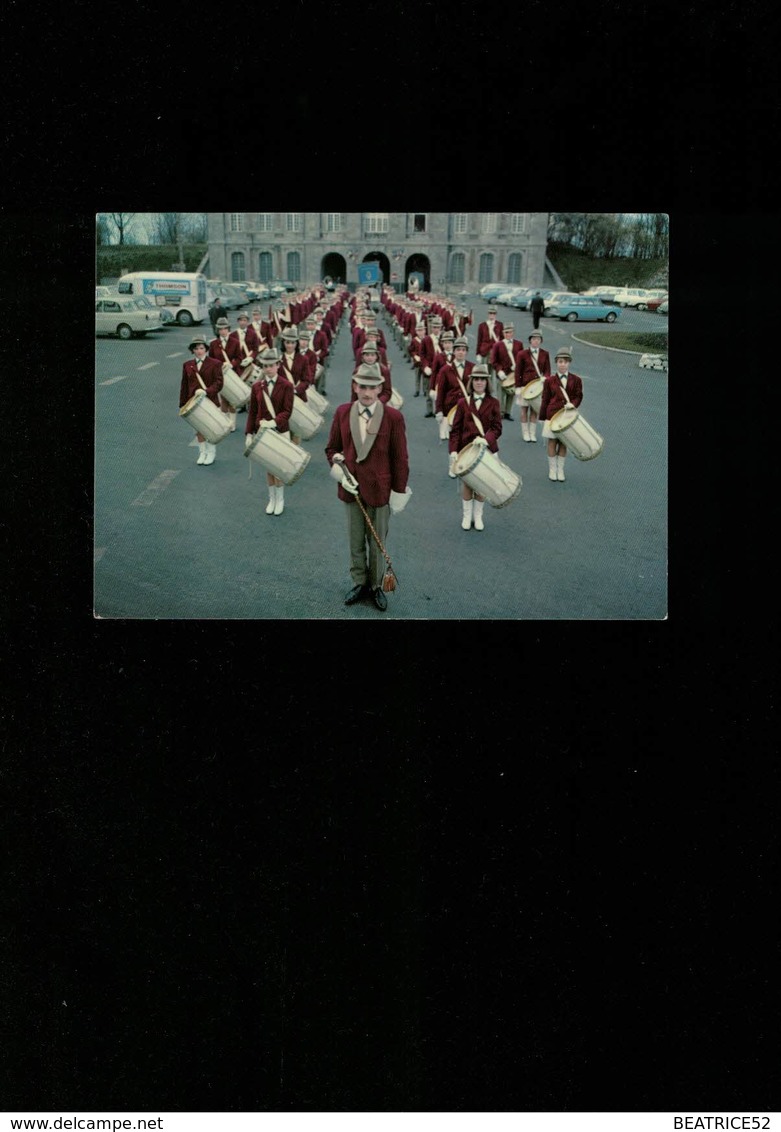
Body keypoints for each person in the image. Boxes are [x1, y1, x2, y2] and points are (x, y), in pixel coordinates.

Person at [325, 362, 410, 612]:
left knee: (377, 541)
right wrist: (336, 462)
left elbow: (400, 458)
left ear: (380, 388)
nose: (366, 392)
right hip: (351, 489)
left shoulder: (393, 417)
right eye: (362, 386)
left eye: (372, 387)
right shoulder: (342, 412)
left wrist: (398, 491)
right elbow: (331, 448)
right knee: (355, 540)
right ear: (354, 385)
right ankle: (359, 582)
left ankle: (375, 586)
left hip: (381, 491)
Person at [448, 364, 502, 532]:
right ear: (472, 382)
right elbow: (455, 429)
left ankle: (478, 516)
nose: (479, 382)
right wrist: (454, 451)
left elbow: (497, 428)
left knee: (481, 483)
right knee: (467, 484)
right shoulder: (463, 403)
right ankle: (466, 515)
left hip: (486, 448)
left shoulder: (494, 403)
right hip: (467, 449)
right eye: (476, 379)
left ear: (487, 382)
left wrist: (486, 439)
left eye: (482, 380)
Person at [245, 348, 294, 515]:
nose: (268, 369)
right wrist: (249, 433)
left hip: (280, 431)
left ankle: (280, 499)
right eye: (265, 366)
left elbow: (287, 411)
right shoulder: (257, 386)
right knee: (268, 467)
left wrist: (273, 422)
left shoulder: (287, 385)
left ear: (278, 365)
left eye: (271, 365)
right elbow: (252, 412)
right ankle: (271, 498)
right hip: (263, 433)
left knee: (278, 467)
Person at [539, 345, 583, 482]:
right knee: (552, 441)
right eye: (560, 362)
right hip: (552, 415)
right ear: (556, 363)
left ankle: (560, 469)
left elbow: (578, 396)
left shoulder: (576, 380)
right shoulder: (549, 381)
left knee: (564, 443)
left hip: (568, 415)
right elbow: (545, 399)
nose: (562, 364)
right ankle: (552, 469)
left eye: (565, 362)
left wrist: (573, 404)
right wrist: (542, 418)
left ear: (569, 363)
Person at [179, 334, 224, 466]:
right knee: (198, 429)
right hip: (194, 403)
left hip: (210, 401)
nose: (199, 351)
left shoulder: (215, 364)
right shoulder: (187, 365)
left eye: (201, 348)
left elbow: (219, 383)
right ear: (192, 350)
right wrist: (182, 404)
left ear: (206, 349)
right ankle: (202, 452)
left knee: (209, 428)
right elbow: (185, 385)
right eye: (196, 348)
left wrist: (206, 391)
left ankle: (211, 452)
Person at [435, 336, 474, 477]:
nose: (461, 353)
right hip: (450, 408)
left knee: (468, 436)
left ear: (467, 352)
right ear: (454, 352)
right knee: (454, 437)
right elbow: (441, 391)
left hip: (467, 409)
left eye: (463, 350)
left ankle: (465, 464)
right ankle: (452, 465)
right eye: (458, 350)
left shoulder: (472, 367)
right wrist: (439, 410)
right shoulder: (446, 370)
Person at [515, 330, 551, 442]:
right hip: (525, 386)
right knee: (524, 409)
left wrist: (545, 377)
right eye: (534, 339)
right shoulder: (522, 354)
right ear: (530, 340)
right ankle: (525, 433)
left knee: (535, 410)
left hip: (538, 387)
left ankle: (532, 433)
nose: (536, 341)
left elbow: (547, 370)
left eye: (538, 339)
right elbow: (518, 371)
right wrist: (518, 387)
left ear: (541, 341)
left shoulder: (545, 354)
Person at [490, 322, 524, 421]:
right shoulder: (498, 345)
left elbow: (522, 359)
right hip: (502, 374)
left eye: (509, 332)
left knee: (511, 394)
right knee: (501, 394)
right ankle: (500, 412)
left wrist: (518, 367)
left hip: (513, 374)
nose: (507, 334)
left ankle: (508, 412)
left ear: (513, 333)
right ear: (503, 333)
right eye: (506, 332)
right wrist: (499, 371)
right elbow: (493, 360)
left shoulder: (519, 344)